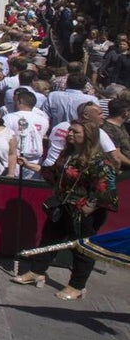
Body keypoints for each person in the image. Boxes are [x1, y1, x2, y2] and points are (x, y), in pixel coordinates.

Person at [13, 121, 119, 300]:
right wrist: (29, 165)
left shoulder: (98, 161)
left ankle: (77, 286)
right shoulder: (68, 154)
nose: (70, 133)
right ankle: (37, 271)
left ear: (88, 136)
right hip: (62, 206)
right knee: (49, 239)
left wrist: (89, 207)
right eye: (70, 130)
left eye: (75, 132)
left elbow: (106, 189)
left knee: (81, 249)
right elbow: (54, 173)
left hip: (82, 212)